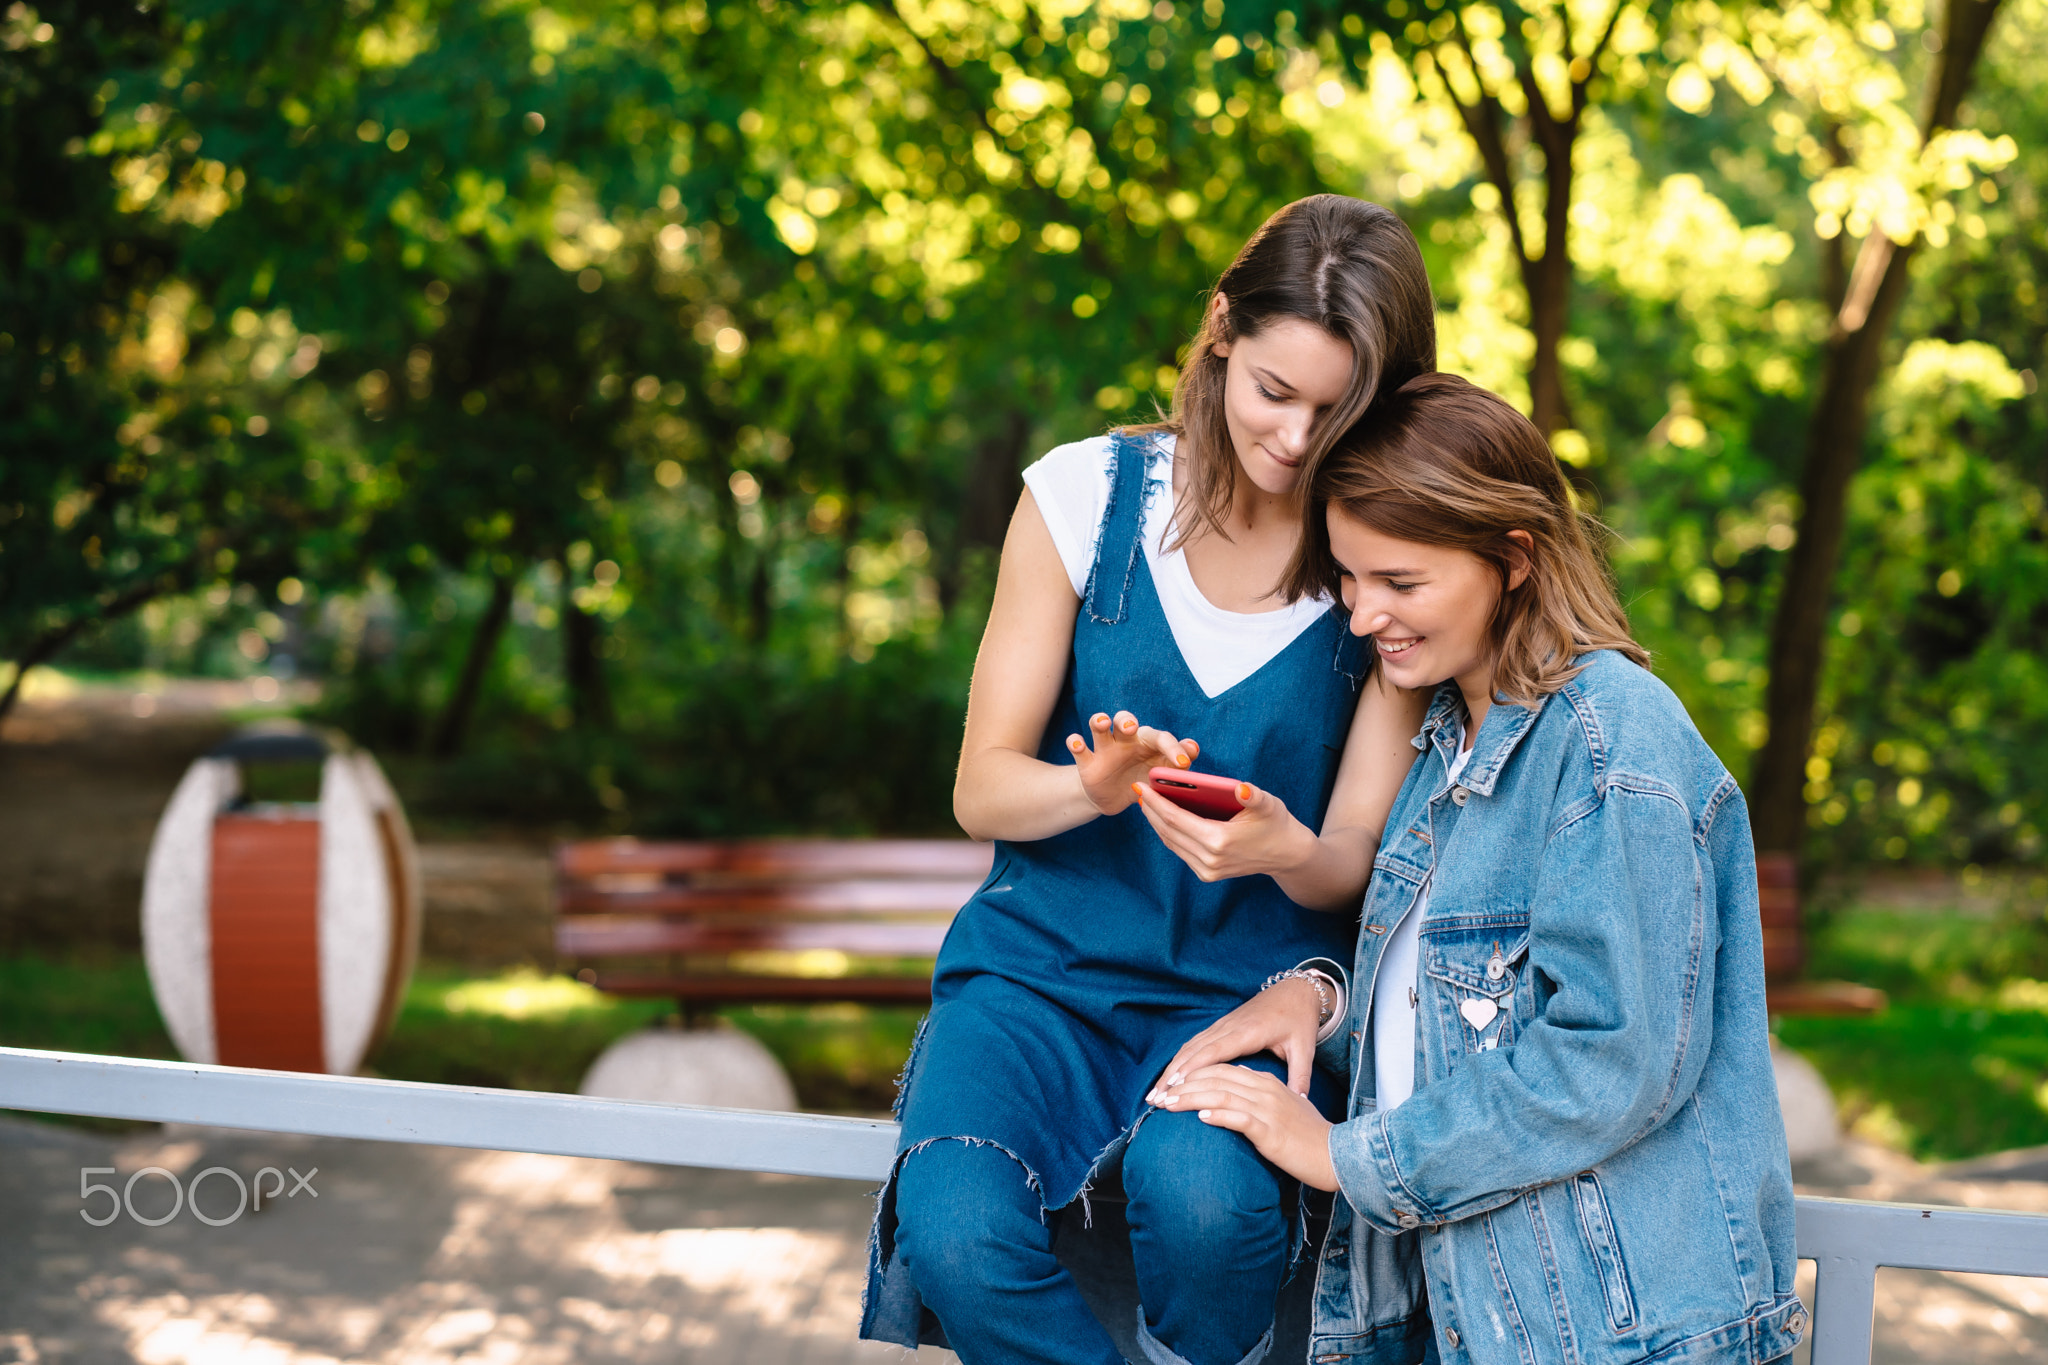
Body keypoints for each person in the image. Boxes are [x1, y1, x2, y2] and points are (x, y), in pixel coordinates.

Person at [861, 196, 1439, 1365]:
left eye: (1335, 412)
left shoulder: (1372, 557)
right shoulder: (1082, 498)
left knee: (1207, 1208)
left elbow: (1352, 859)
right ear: (1221, 330)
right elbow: (981, 790)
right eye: (1274, 392)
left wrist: (1282, 844)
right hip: (1036, 985)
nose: (1293, 439)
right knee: (955, 1230)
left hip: (1237, 1002)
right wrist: (1094, 788)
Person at [1154, 372, 1804, 1365]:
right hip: (1466, 1321)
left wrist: (1340, 1154)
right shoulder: (1447, 739)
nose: (1362, 615)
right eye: (1349, 577)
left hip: (1615, 1337)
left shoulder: (1608, 739)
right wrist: (1321, 1006)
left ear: (1511, 559)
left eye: (1399, 583)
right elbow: (1454, 1019)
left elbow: (1607, 1058)